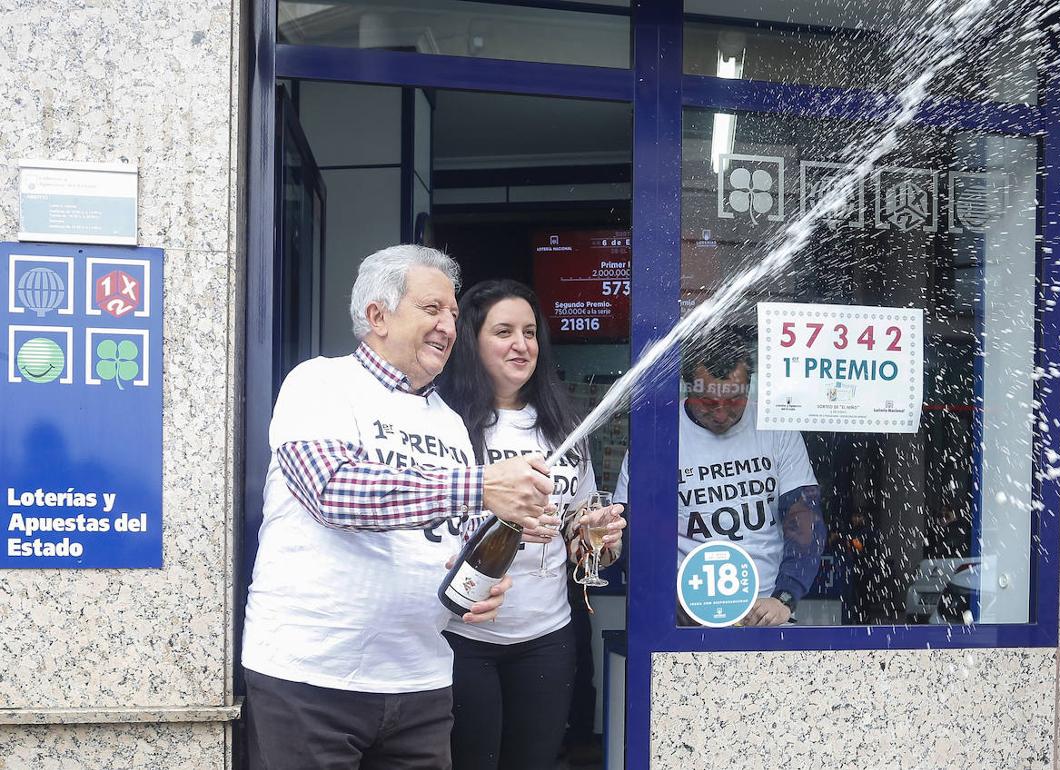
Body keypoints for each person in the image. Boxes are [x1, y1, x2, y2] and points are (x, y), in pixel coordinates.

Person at [242, 246, 557, 770]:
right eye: (432, 309)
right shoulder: (320, 383)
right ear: (377, 315)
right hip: (310, 678)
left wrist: (481, 574)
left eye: (454, 315)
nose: (448, 326)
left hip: (421, 681)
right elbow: (332, 491)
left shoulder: (449, 422)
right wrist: (478, 485)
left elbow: (452, 533)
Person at [438, 279, 625, 770]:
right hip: (462, 636)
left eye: (529, 332)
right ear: (471, 341)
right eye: (503, 332)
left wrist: (595, 536)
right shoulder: (442, 422)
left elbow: (580, 538)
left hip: (548, 635)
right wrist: (508, 517)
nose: (521, 345)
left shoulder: (564, 428)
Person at [615, 332, 826, 625]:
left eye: (734, 400)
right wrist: (668, 600)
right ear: (688, 388)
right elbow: (630, 534)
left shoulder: (776, 428)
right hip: (682, 615)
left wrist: (785, 599)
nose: (721, 413)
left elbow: (804, 522)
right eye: (709, 402)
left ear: (749, 386)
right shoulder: (656, 435)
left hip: (764, 611)